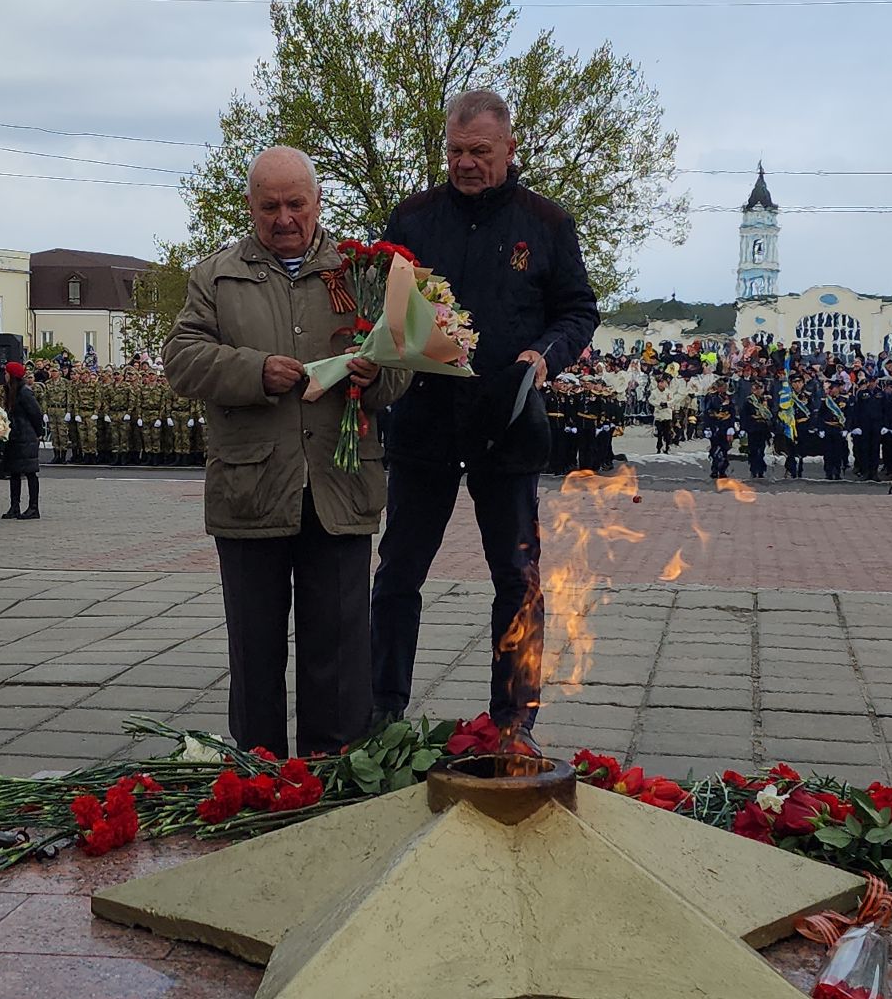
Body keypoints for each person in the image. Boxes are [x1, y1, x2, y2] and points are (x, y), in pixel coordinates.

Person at [370, 89, 600, 744]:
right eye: (454, 151)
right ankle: (382, 709)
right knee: (398, 573)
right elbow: (382, 305)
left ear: (510, 148)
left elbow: (579, 309)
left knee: (518, 580)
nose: (466, 164)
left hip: (508, 426)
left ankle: (514, 718)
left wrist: (544, 355)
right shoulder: (412, 220)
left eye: (479, 151)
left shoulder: (547, 224)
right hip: (424, 424)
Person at [163, 145, 410, 758]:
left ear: (317, 201)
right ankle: (258, 777)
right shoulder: (216, 277)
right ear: (250, 205)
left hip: (340, 486)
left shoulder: (363, 273)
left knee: (341, 654)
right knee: (254, 652)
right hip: (251, 493)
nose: (283, 218)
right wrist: (252, 371)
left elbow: (404, 367)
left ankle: (330, 779)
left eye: (295, 203)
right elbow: (181, 359)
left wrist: (370, 377)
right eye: (269, 205)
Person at [0, 361, 44, 520]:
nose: (4, 375)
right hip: (14, 436)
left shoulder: (24, 392)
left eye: (6, 373)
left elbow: (36, 413)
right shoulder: (11, 391)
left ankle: (33, 507)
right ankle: (14, 506)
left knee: (30, 472)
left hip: (26, 437)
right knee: (14, 473)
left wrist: (39, 433)